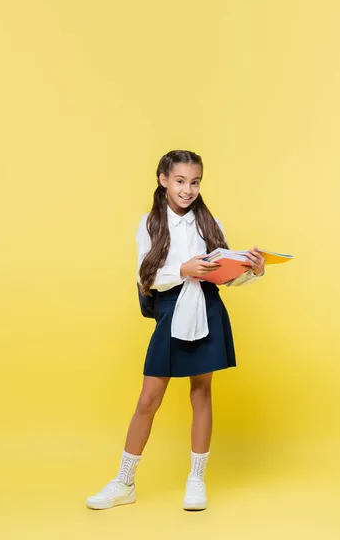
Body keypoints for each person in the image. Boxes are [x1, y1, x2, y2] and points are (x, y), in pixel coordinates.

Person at [86, 149, 265, 511]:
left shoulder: (210, 222)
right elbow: (145, 276)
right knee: (148, 399)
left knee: (201, 393)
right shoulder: (149, 223)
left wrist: (252, 270)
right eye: (180, 181)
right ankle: (124, 482)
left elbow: (225, 275)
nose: (188, 189)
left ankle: (196, 480)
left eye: (195, 182)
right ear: (163, 179)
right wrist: (182, 270)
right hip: (171, 310)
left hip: (208, 308)